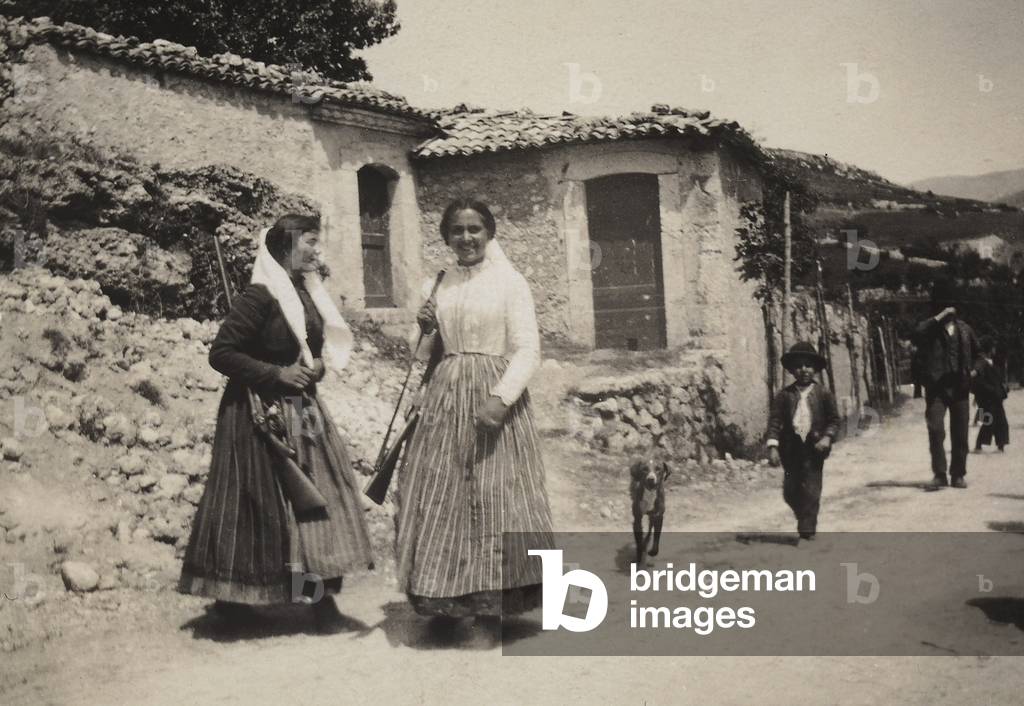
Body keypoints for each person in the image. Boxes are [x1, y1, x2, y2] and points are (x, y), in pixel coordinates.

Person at [178, 213, 373, 632]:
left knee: (314, 501)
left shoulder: (305, 293)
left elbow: (309, 349)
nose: (316, 250)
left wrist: (317, 367)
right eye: (310, 241)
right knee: (255, 504)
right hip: (257, 414)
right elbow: (222, 354)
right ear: (286, 245)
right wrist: (276, 373)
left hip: (302, 412)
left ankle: (319, 603)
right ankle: (235, 602)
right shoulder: (259, 297)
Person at [394, 198, 554, 636]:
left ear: (489, 233)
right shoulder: (438, 283)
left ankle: (491, 609)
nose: (466, 238)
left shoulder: (509, 282)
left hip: (493, 394)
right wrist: (425, 328)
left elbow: (528, 350)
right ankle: (446, 605)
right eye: (457, 231)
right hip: (445, 398)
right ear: (446, 237)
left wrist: (500, 399)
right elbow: (421, 353)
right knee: (443, 497)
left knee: (496, 495)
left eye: (474, 229)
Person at [766, 341, 840, 541]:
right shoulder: (784, 395)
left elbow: (834, 420)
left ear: (815, 369)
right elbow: (775, 421)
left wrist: (827, 437)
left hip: (814, 449)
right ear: (791, 370)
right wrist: (773, 446)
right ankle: (803, 515)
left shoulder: (823, 393)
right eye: (798, 366)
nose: (804, 369)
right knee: (790, 492)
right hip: (790, 449)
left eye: (808, 365)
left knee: (812, 490)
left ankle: (807, 529)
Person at [912, 293, 981, 489]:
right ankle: (940, 475)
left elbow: (979, 354)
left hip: (960, 387)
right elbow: (916, 333)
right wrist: (939, 316)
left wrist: (975, 370)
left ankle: (958, 475)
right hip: (936, 389)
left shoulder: (965, 330)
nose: (949, 310)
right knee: (935, 429)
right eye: (944, 306)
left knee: (960, 433)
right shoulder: (930, 329)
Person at [973, 337, 1009, 452]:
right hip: (988, 398)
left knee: (1001, 421)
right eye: (993, 347)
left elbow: (998, 378)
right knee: (989, 421)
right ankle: (979, 445)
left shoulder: (993, 361)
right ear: (989, 348)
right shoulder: (981, 361)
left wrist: (1003, 388)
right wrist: (991, 389)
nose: (994, 349)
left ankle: (1001, 445)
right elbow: (977, 378)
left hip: (996, 397)